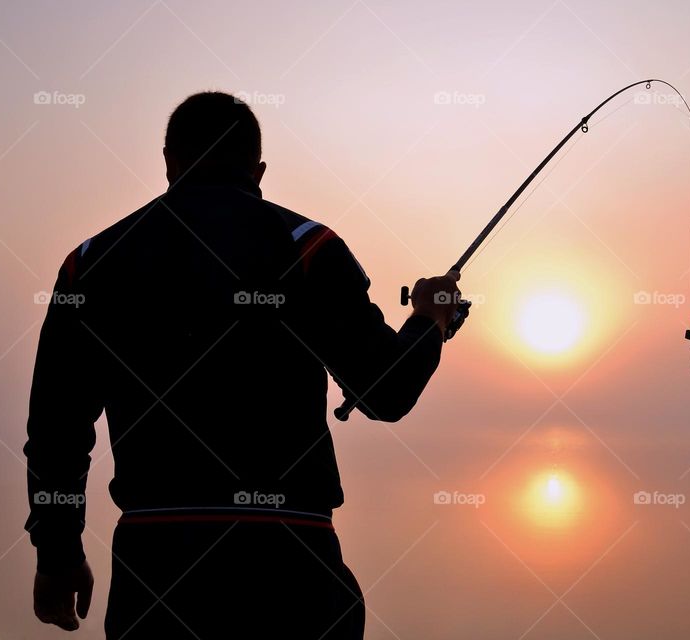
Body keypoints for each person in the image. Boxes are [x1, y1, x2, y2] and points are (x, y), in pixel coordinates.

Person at [24, 91, 461, 638]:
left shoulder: (89, 263)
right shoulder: (310, 248)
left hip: (155, 568)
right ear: (258, 169)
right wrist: (429, 321)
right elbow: (386, 393)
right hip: (291, 562)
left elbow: (55, 431)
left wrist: (57, 553)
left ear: (168, 161)